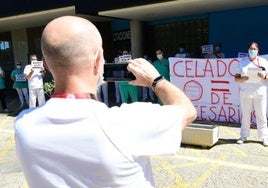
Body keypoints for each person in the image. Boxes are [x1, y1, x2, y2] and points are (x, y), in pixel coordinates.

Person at [14, 16, 197, 188]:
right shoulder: (126, 122)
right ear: (98, 59)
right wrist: (156, 80)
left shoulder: (23, 124)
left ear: (45, 63)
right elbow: (187, 111)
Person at [234, 41, 268, 146]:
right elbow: (236, 78)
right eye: (250, 49)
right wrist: (242, 78)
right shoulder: (242, 62)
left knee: (261, 115)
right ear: (248, 50)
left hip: (260, 92)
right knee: (245, 115)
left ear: (258, 51)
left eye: (254, 49)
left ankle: (264, 137)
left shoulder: (264, 62)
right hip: (246, 92)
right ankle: (243, 136)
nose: (252, 51)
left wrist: (264, 77)